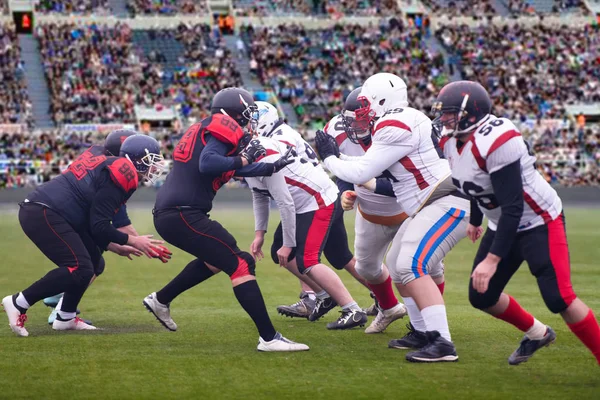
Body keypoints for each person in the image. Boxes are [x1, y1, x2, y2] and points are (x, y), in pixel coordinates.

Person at [432, 80, 600, 366]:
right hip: (503, 222)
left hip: (538, 220)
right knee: (481, 296)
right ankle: (537, 333)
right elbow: (472, 182)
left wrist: (492, 259)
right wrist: (475, 220)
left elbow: (513, 206)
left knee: (559, 297)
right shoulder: (451, 142)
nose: (444, 119)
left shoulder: (497, 140)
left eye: (450, 113)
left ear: (471, 113)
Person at [315, 73, 470, 362]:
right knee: (397, 268)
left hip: (443, 199)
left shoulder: (393, 122)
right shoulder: (399, 120)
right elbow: (365, 165)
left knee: (411, 265)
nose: (363, 112)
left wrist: (329, 159)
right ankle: (423, 332)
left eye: (365, 104)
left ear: (383, 101)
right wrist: (340, 160)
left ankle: (443, 343)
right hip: (429, 203)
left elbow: (362, 172)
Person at [143, 87, 308, 352]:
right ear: (236, 111)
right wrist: (244, 156)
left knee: (216, 259)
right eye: (248, 111)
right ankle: (269, 338)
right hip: (182, 213)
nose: (250, 118)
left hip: (175, 213)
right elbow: (209, 164)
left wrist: (270, 166)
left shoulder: (204, 129)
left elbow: (232, 167)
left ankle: (161, 299)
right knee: (241, 262)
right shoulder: (223, 126)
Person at [2, 134, 168, 336]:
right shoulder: (122, 173)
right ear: (136, 160)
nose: (154, 167)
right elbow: (99, 225)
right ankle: (18, 302)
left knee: (94, 263)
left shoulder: (103, 160)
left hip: (54, 212)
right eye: (151, 160)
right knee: (79, 267)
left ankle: (66, 317)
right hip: (46, 212)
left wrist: (114, 244)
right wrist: (133, 240)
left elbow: (92, 221)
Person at [251, 101, 376, 322]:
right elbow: (261, 192)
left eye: (251, 123)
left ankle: (322, 298)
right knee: (339, 256)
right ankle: (381, 298)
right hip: (315, 196)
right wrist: (259, 232)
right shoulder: (273, 137)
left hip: (314, 199)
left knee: (300, 254)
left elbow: (284, 195)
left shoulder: (275, 141)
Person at [43, 129, 172, 325]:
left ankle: (59, 301)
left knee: (92, 260)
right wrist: (142, 244)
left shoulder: (98, 164)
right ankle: (60, 305)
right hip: (62, 215)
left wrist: (130, 243)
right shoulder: (113, 175)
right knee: (91, 263)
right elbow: (119, 224)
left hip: (64, 213)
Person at [321, 89, 412, 334]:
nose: (354, 125)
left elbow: (412, 182)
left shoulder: (401, 131)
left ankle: (424, 325)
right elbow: (342, 170)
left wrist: (370, 184)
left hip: (410, 210)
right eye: (352, 118)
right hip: (370, 212)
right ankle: (390, 308)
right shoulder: (338, 131)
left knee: (414, 268)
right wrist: (346, 191)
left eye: (361, 118)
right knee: (366, 268)